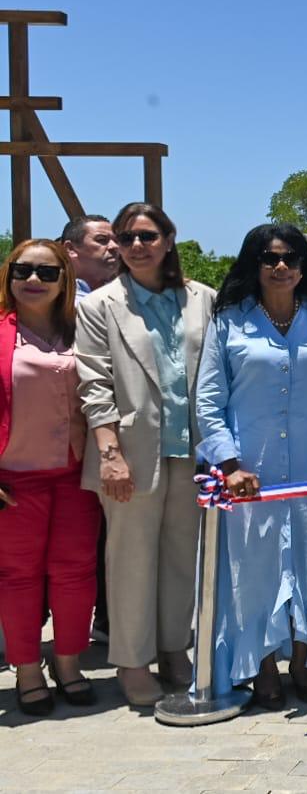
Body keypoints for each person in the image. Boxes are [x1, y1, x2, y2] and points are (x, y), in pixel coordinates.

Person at [195, 223, 307, 710]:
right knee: (256, 567)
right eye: (270, 258)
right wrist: (228, 464)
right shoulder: (228, 321)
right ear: (255, 264)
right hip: (252, 469)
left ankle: (305, 662)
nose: (282, 266)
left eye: (291, 257)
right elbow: (209, 400)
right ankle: (261, 666)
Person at [75, 202, 216, 707]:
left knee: (183, 557)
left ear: (169, 239)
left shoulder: (202, 299)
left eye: (147, 236)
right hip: (130, 453)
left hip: (191, 449)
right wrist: (110, 453)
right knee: (130, 560)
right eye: (126, 238)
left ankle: (175, 649)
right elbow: (94, 385)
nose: (135, 246)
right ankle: (132, 662)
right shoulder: (99, 305)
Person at [0, 240, 101, 715]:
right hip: (14, 480)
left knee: (76, 573)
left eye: (46, 271)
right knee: (18, 577)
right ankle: (25, 669)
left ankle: (68, 663)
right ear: (9, 276)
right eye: (22, 270)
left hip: (76, 475)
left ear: (65, 279)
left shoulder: (86, 331)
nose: (33, 280)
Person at [59, 214, 117, 641]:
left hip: (110, 437)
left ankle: (109, 618)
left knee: (107, 537)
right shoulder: (49, 302)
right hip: (54, 444)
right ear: (71, 250)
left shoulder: (128, 297)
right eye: (103, 240)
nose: (115, 247)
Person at [59, 214, 120, 297]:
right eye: (101, 240)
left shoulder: (130, 296)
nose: (114, 246)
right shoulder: (51, 299)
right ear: (70, 249)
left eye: (117, 241)